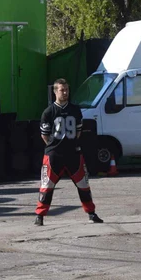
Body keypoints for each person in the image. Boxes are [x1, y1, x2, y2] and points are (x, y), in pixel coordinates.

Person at [35, 79, 102, 226]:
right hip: (54, 155)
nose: (65, 93)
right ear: (55, 92)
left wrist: (70, 145)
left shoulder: (75, 110)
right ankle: (40, 215)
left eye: (67, 90)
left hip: (73, 154)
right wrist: (54, 147)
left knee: (83, 184)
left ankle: (91, 213)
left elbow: (78, 131)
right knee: (47, 185)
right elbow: (44, 135)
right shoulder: (48, 112)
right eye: (61, 90)